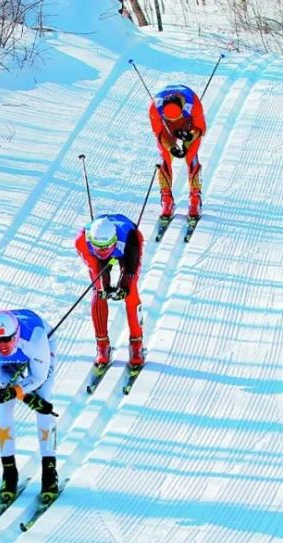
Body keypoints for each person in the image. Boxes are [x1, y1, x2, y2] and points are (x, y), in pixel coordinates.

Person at [0, 308, 59, 503]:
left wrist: (22, 392)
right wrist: (20, 395)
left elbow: (38, 376)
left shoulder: (35, 340)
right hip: (9, 362)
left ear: (16, 334)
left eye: (7, 339)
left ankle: (49, 471)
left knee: (44, 401)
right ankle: (9, 473)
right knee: (3, 405)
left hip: (41, 346)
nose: (3, 346)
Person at [74, 214, 145, 369]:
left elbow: (131, 269)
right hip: (99, 254)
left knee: (130, 291)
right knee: (98, 292)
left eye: (106, 247)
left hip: (126, 247)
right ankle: (102, 346)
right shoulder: (81, 242)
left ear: (113, 241)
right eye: (98, 247)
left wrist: (124, 286)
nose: (103, 251)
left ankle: (136, 344)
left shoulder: (130, 237)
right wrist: (103, 286)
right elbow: (95, 269)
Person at [149, 84, 207, 220]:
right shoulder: (154, 108)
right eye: (170, 117)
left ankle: (195, 198)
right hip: (165, 127)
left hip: (188, 123)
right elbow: (158, 134)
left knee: (191, 156)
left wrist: (190, 136)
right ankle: (166, 199)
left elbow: (201, 129)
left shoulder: (194, 104)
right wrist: (171, 148)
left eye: (176, 116)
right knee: (164, 158)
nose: (173, 120)